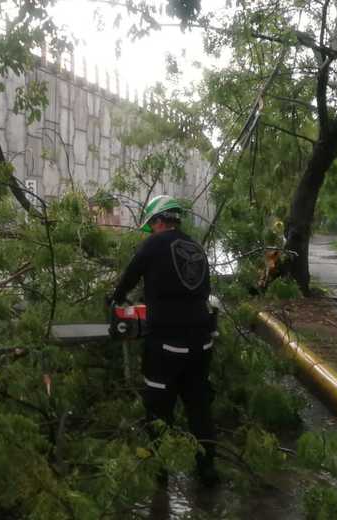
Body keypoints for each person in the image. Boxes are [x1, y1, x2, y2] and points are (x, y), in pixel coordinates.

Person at [110, 195, 219, 487]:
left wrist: (115, 299)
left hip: (167, 344)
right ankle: (207, 469)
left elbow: (130, 277)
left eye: (152, 225)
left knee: (158, 409)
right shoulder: (196, 247)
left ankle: (160, 474)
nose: (152, 230)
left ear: (159, 221)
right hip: (202, 343)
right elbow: (202, 291)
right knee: (198, 406)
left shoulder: (154, 244)